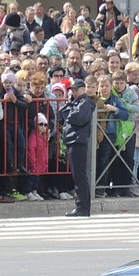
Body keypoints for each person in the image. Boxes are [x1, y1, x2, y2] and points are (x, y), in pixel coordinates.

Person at [59, 78, 96, 217]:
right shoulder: (74, 103)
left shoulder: (85, 102)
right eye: (72, 90)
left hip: (78, 141)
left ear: (82, 89)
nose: (73, 92)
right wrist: (69, 107)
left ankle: (82, 207)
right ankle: (81, 206)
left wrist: (69, 110)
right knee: (77, 175)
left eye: (76, 89)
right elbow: (61, 116)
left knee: (79, 175)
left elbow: (77, 118)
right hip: (73, 140)